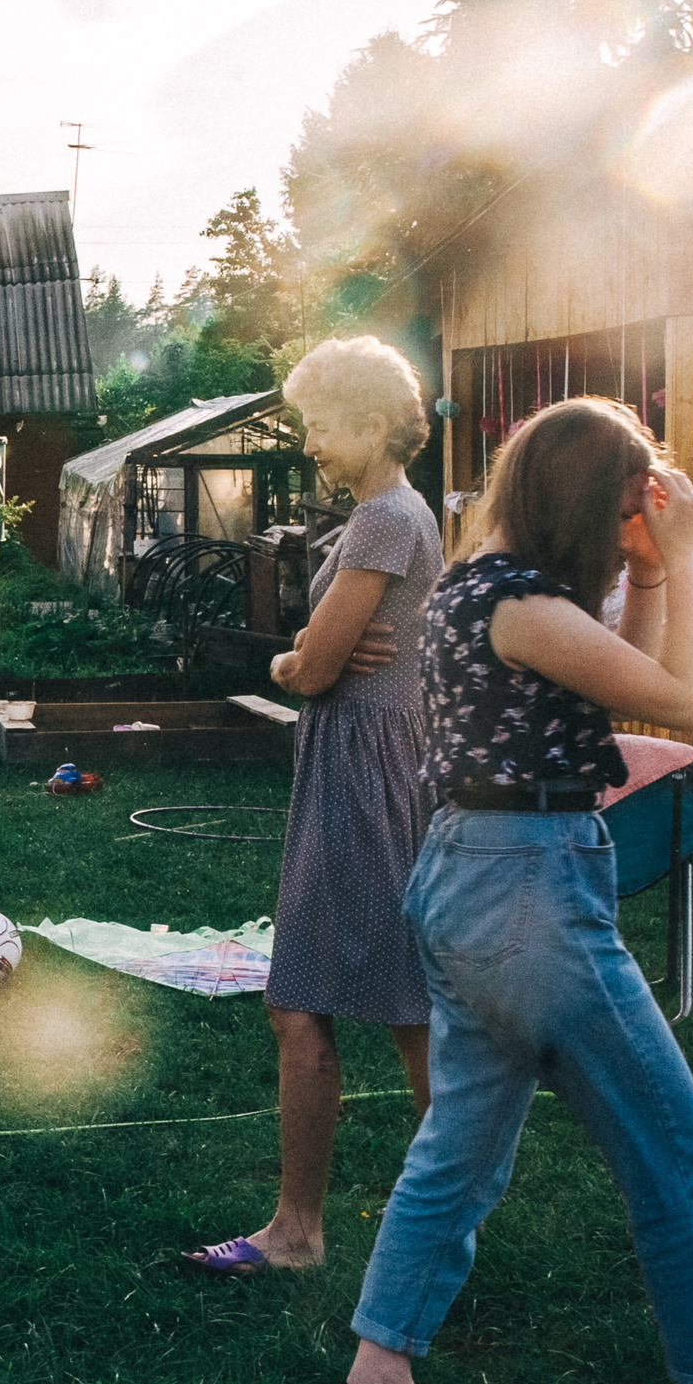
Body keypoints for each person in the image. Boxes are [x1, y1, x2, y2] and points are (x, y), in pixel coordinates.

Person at [343, 396, 693, 1384]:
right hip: (526, 896)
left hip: (469, 879)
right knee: (682, 1158)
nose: (641, 513)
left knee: (460, 1150)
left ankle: (378, 1361)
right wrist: (678, 556)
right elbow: (687, 707)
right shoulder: (520, 606)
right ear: (585, 500)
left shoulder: (486, 592)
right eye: (626, 498)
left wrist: (659, 572)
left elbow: (618, 693)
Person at [184, 336, 438, 1277]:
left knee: (311, 1004)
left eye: (321, 426)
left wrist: (292, 659)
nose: (311, 445)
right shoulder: (394, 514)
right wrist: (305, 650)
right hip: (374, 763)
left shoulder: (381, 521)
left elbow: (314, 666)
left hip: (363, 771)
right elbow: (322, 648)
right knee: (408, 1006)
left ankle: (300, 1232)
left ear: (373, 424)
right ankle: (442, 1221)